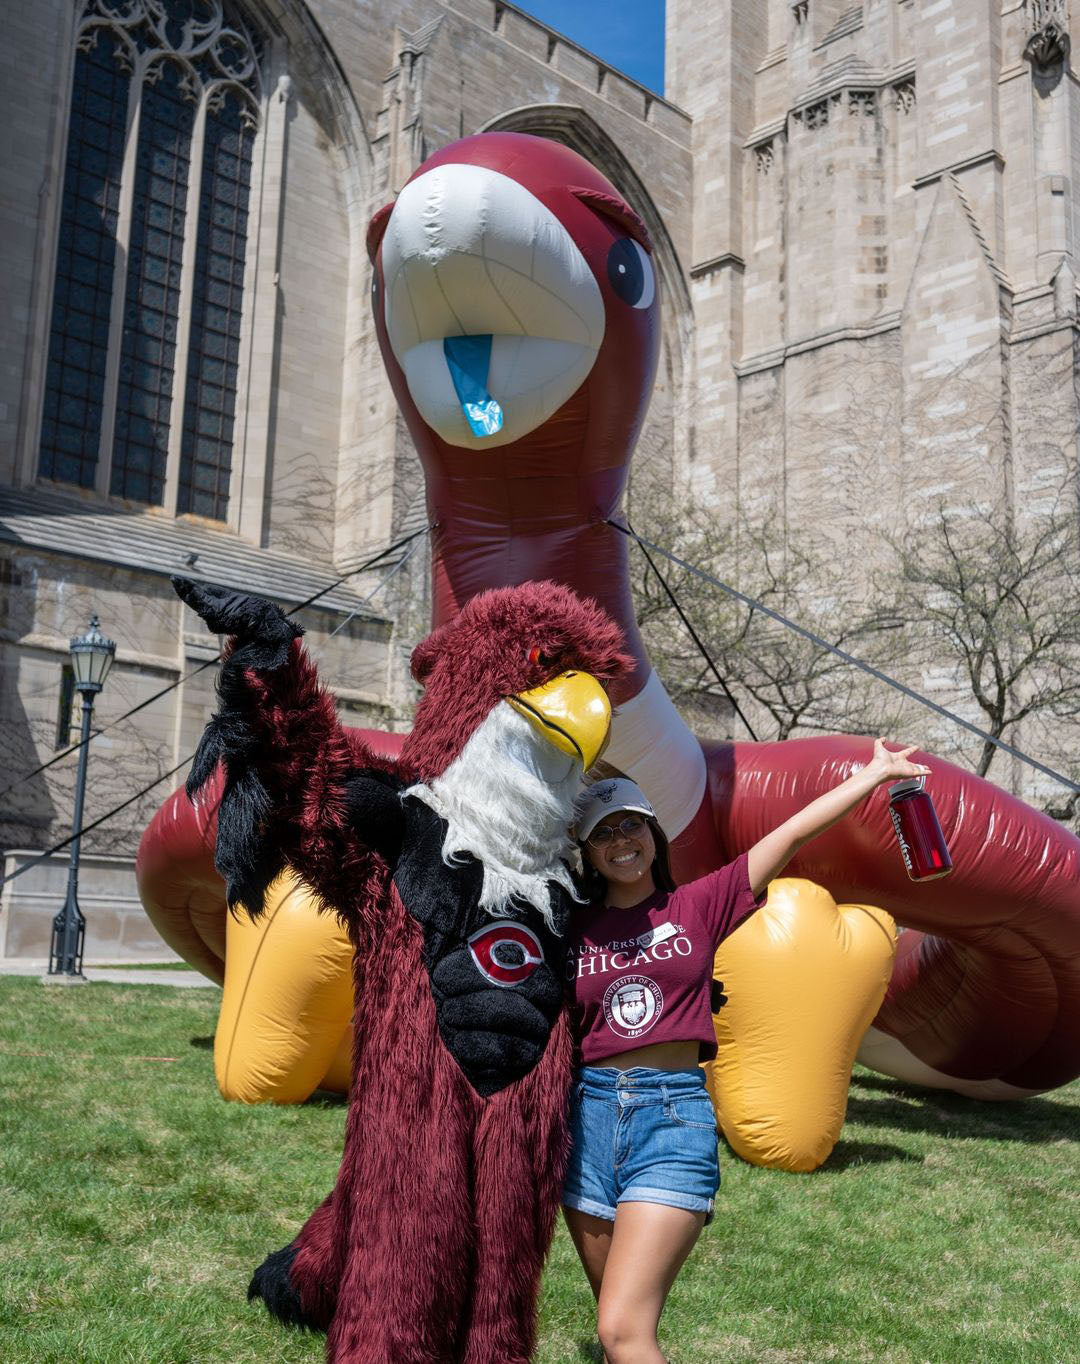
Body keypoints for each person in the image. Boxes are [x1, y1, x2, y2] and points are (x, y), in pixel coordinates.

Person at [562, 740, 931, 1364]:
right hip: (586, 1121)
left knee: (623, 1330)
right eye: (603, 834)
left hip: (671, 1122)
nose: (621, 840)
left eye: (631, 824)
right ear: (589, 853)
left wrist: (874, 775)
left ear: (652, 833)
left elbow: (789, 836)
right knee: (615, 1325)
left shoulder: (697, 906)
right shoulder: (569, 925)